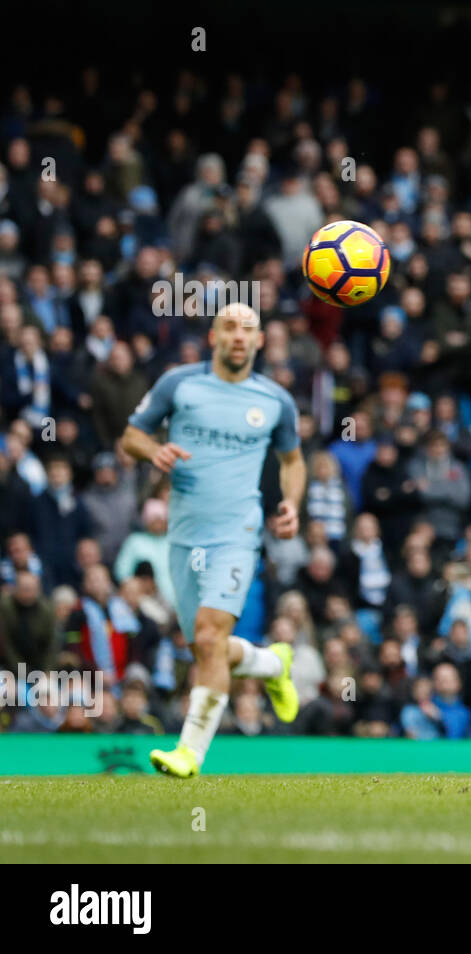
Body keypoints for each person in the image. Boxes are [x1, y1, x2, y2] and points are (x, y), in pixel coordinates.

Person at [121, 302, 304, 778]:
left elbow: (292, 461)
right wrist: (153, 449)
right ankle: (270, 663)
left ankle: (190, 753)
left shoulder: (275, 401)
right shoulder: (179, 384)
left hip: (237, 535)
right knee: (205, 646)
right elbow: (130, 437)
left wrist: (292, 503)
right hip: (183, 538)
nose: (238, 336)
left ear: (260, 341)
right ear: (213, 337)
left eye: (248, 329)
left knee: (208, 634)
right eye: (229, 327)